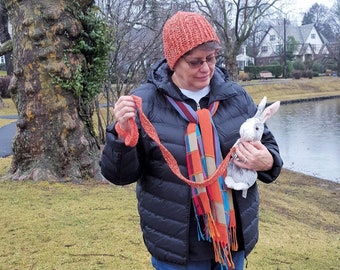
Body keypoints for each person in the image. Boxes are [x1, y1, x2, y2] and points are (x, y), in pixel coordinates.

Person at [101, 11, 283, 270]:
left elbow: (271, 149)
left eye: (211, 58)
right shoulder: (145, 104)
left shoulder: (236, 97)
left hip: (233, 244)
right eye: (195, 62)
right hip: (177, 249)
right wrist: (121, 134)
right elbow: (119, 175)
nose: (206, 68)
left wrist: (268, 160)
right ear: (174, 61)